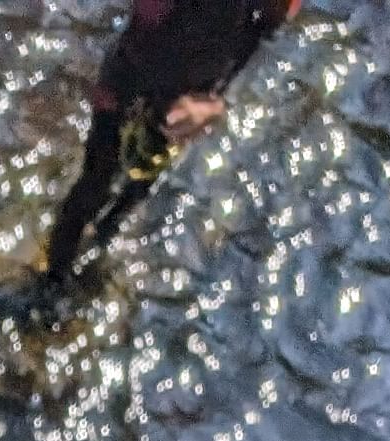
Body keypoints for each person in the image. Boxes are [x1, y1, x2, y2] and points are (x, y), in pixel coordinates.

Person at [42, 0, 302, 283]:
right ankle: (52, 283)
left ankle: (100, 248)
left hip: (190, 98)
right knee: (93, 182)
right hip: (130, 78)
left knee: (140, 184)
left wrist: (215, 104)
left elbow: (266, 33)